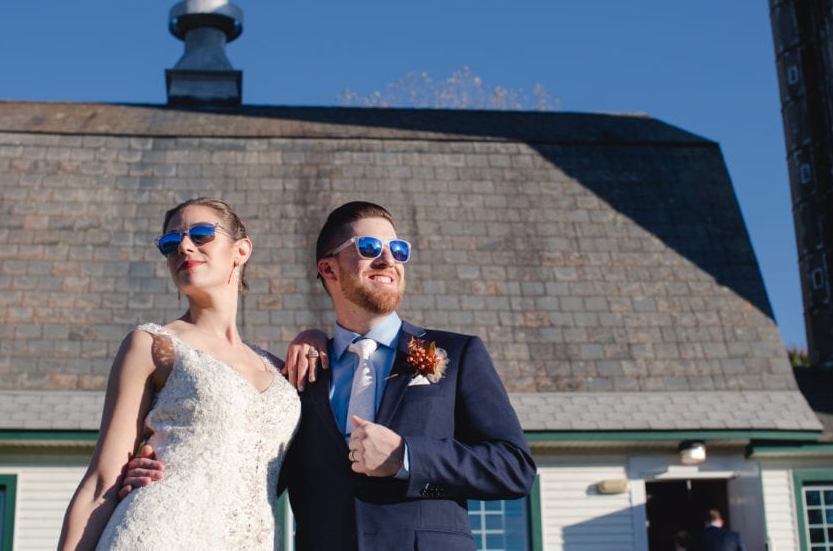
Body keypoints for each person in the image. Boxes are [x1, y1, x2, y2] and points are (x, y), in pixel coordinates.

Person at [124, 200, 537, 550]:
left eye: (398, 248)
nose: (388, 259)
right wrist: (164, 468)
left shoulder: (458, 354)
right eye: (369, 246)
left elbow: (514, 467)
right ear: (329, 268)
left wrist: (407, 457)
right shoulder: (296, 377)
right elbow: (253, 466)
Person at [59, 198, 301, 550]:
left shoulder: (282, 370)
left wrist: (313, 339)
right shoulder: (152, 344)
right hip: (158, 534)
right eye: (171, 243)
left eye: (201, 234)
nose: (185, 247)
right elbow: (101, 481)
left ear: (241, 250)